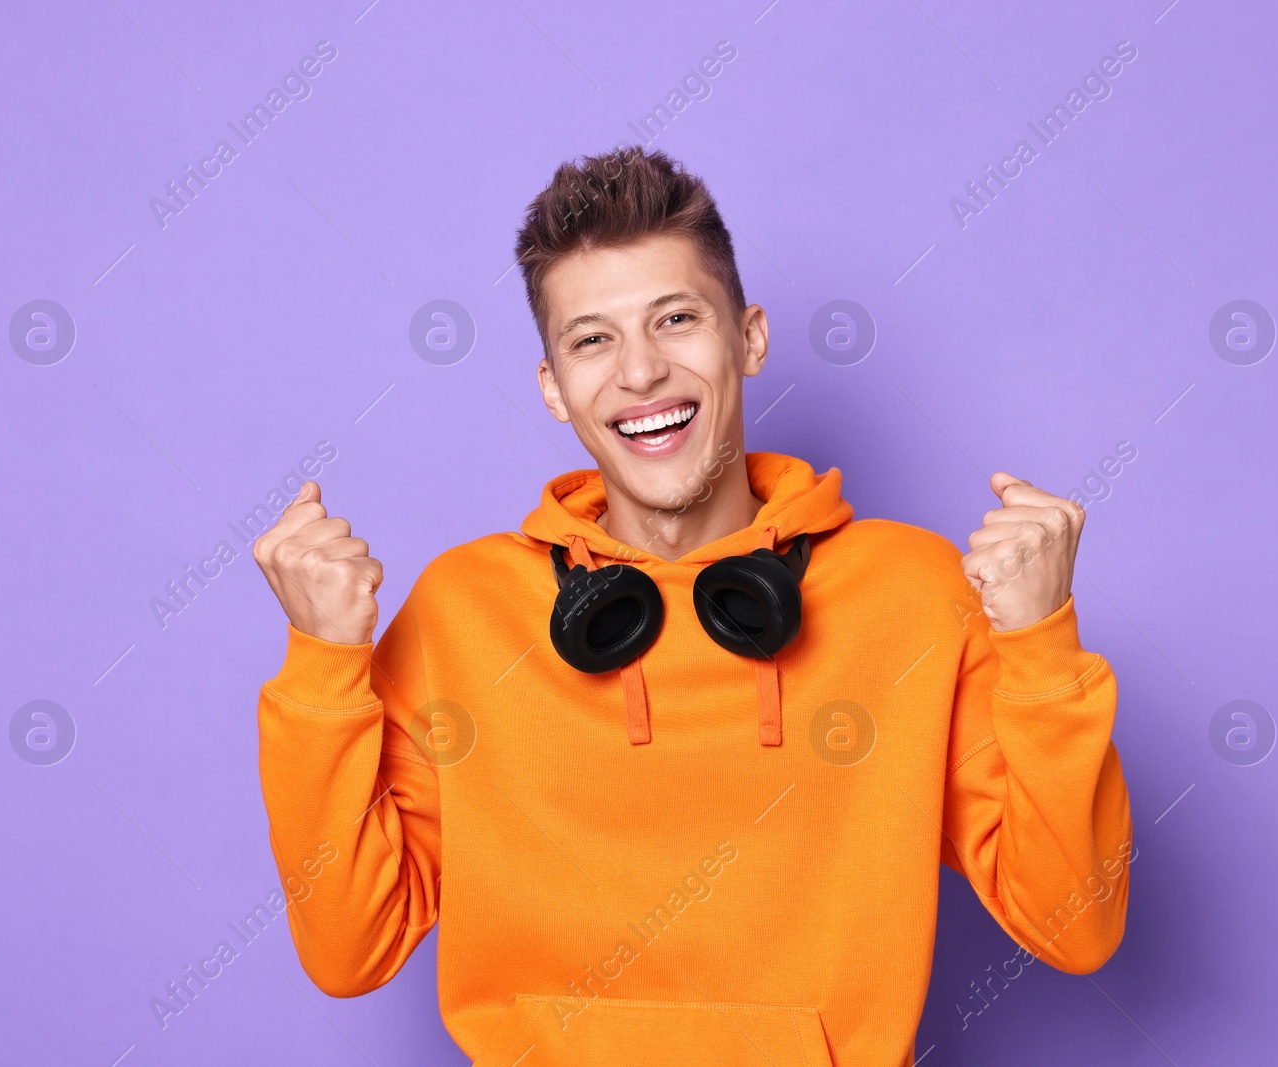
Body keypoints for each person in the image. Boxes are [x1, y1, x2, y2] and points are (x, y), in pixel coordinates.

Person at [251, 146, 1131, 1066]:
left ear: (748, 336)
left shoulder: (913, 593)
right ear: (553, 385)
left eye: (675, 319)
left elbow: (1076, 925)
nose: (640, 372)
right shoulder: (462, 610)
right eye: (592, 338)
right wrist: (322, 660)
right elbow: (351, 951)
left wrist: (1038, 641)